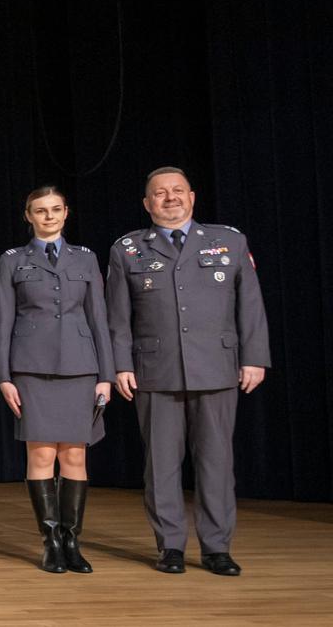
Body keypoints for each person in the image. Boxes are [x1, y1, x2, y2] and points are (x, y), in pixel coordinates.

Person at [107, 167, 269, 576]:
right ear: (147, 203)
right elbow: (117, 318)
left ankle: (217, 547)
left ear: (192, 197)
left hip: (216, 368)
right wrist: (121, 364)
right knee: (161, 466)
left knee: (216, 462)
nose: (170, 198)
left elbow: (249, 304)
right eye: (159, 194)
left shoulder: (228, 241)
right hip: (155, 372)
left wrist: (254, 357)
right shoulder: (127, 249)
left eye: (177, 191)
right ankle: (171, 547)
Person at [0, 186, 113, 574]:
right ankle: (50, 542)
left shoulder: (85, 258)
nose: (49, 216)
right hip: (31, 367)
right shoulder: (13, 260)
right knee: (41, 454)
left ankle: (72, 541)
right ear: (28, 215)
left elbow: (99, 319)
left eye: (55, 209)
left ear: (66, 213)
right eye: (40, 211)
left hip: (80, 367)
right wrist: (4, 376)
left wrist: (106, 376)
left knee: (74, 454)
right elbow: (2, 322)